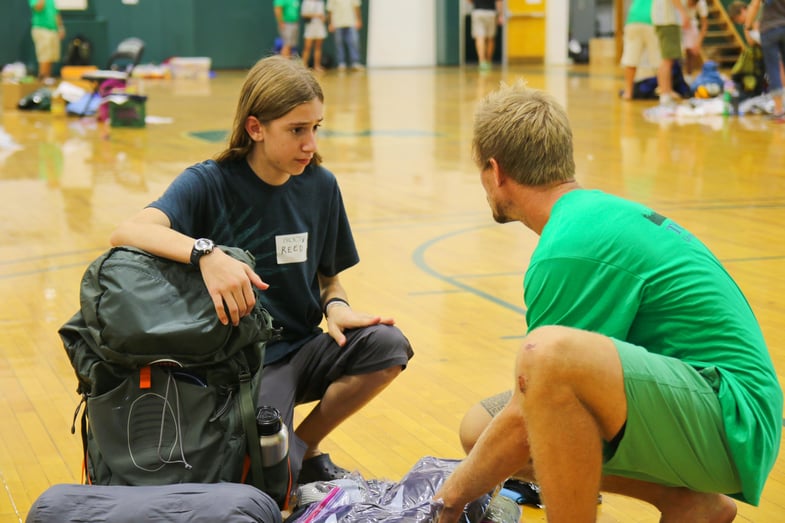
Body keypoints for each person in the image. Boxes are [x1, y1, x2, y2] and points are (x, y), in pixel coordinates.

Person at [433, 81, 782, 522]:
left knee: (545, 360)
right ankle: (686, 503)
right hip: (720, 406)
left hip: (734, 421)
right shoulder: (589, 215)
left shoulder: (568, 246)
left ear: (496, 171)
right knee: (482, 429)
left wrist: (451, 497)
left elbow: (532, 408)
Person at [109, 55, 414, 485]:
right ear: (255, 128)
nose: (310, 144)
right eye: (296, 130)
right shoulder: (209, 183)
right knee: (272, 484)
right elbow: (128, 231)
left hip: (305, 349)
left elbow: (329, 277)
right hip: (246, 363)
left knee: (389, 346)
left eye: (315, 128)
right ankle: (285, 459)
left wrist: (338, 306)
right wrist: (206, 254)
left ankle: (305, 447)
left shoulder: (321, 186)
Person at [745, 0, 785, 121]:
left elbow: (755, 5)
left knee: (773, 70)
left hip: (769, 30)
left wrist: (748, 26)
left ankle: (779, 111)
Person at [651, 0, 691, 106]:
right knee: (667, 60)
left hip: (667, 21)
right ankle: (665, 95)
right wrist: (683, 13)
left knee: (669, 59)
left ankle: (667, 93)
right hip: (667, 21)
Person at [619, 0, 662, 100]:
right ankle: (662, 90)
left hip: (633, 19)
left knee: (630, 58)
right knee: (658, 60)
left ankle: (628, 92)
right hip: (653, 20)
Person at [29, 0, 65, 83]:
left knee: (51, 56)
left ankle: (47, 77)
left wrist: (60, 27)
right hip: (41, 29)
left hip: (53, 29)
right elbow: (38, 7)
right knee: (44, 55)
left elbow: (56, 13)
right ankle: (43, 78)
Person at [326, 0, 364, 71]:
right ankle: (341, 63)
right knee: (338, 44)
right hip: (337, 23)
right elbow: (330, 10)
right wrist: (330, 23)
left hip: (351, 22)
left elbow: (356, 7)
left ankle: (355, 62)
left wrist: (359, 20)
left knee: (354, 42)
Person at [470, 0, 504, 71]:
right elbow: (499, 2)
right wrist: (501, 15)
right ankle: (488, 62)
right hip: (491, 13)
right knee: (490, 38)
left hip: (478, 12)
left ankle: (482, 61)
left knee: (479, 37)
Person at [682, 0, 709, 77]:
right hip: (677, 22)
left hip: (691, 24)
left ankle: (688, 75)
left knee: (691, 53)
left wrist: (698, 42)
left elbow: (704, 24)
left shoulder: (702, 3)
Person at [301, 0, 328, 72]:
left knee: (318, 47)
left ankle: (317, 66)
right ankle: (303, 66)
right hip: (310, 27)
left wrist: (324, 18)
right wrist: (316, 15)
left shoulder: (321, 2)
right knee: (307, 47)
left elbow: (323, 15)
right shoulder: (306, 2)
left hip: (319, 27)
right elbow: (304, 14)